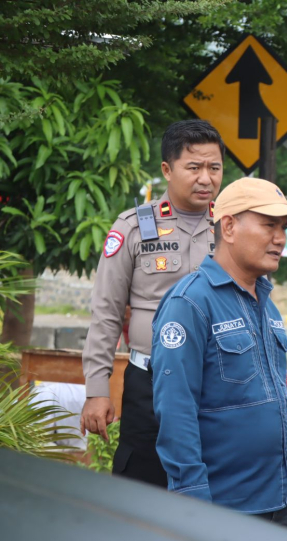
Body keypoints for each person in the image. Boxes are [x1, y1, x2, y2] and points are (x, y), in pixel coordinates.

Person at [151, 177, 287, 527]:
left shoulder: (266, 304)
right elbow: (176, 411)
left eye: (283, 227)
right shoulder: (190, 302)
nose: (280, 238)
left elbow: (277, 404)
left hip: (277, 504)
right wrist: (193, 502)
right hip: (222, 510)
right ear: (229, 226)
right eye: (269, 225)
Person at [80, 120, 224, 486]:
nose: (205, 178)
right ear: (167, 170)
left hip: (220, 384)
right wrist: (97, 390)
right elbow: (106, 313)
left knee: (218, 486)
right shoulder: (133, 227)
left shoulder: (232, 227)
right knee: (143, 486)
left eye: (214, 167)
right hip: (151, 382)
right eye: (193, 167)